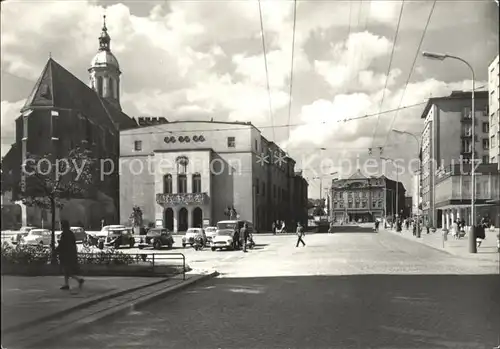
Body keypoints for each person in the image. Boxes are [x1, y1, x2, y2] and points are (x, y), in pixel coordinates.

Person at [56, 220, 84, 290]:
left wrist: (57, 250)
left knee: (67, 270)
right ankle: (68, 283)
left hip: (66, 255)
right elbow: (72, 244)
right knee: (67, 270)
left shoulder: (64, 234)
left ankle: (76, 281)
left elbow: (63, 244)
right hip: (71, 254)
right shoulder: (71, 233)